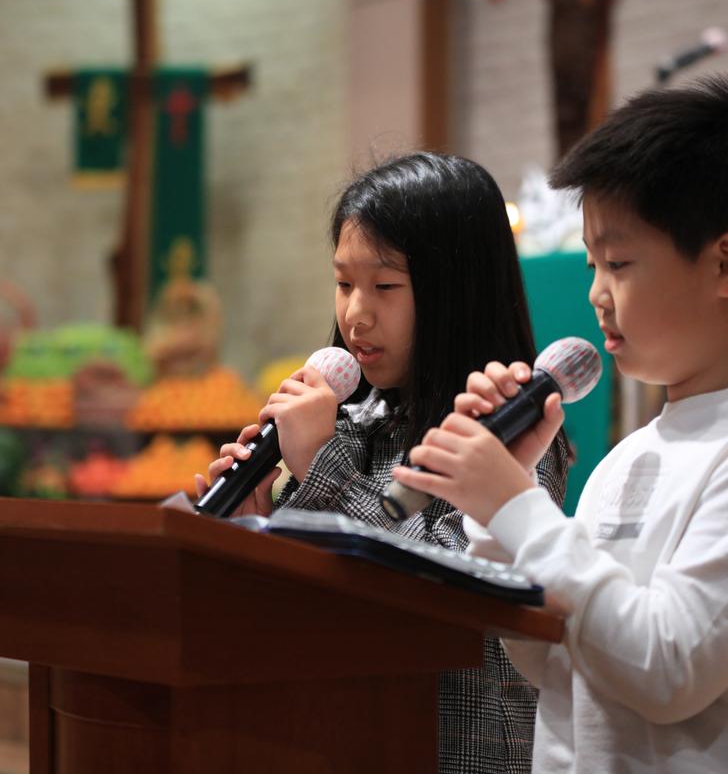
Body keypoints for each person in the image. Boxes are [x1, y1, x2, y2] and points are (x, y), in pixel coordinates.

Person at [393, 75, 728, 772]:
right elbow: (552, 660)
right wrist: (501, 503)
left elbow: (666, 669)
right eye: (591, 264)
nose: (595, 294)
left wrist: (517, 507)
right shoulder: (629, 458)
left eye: (618, 263)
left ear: (726, 264)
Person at [195, 151, 569, 773]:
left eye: (385, 287)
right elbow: (316, 607)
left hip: (453, 751)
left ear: (458, 291)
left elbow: (451, 591)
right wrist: (255, 531)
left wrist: (323, 466)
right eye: (344, 284)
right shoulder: (350, 423)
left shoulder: (508, 428)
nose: (355, 314)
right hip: (337, 734)